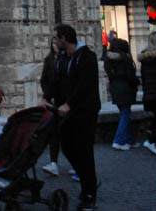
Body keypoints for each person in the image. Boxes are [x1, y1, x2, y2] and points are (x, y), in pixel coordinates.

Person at [52, 24, 100, 211]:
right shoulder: (63, 58)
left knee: (84, 151)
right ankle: (89, 183)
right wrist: (47, 97)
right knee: (68, 147)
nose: (54, 41)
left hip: (84, 111)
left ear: (64, 38)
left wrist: (69, 104)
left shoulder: (86, 57)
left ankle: (89, 193)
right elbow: (58, 82)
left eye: (56, 37)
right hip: (67, 112)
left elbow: (85, 85)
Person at [104, 38, 138, 150]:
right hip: (125, 88)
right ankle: (118, 140)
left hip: (115, 88)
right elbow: (130, 76)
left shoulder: (108, 60)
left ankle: (130, 140)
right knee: (125, 114)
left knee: (125, 113)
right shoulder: (125, 59)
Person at [40, 36, 64, 176]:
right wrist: (47, 95)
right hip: (52, 102)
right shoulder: (49, 60)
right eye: (53, 43)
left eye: (57, 43)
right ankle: (53, 162)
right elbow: (44, 80)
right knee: (53, 133)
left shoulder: (66, 59)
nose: (55, 45)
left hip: (64, 102)